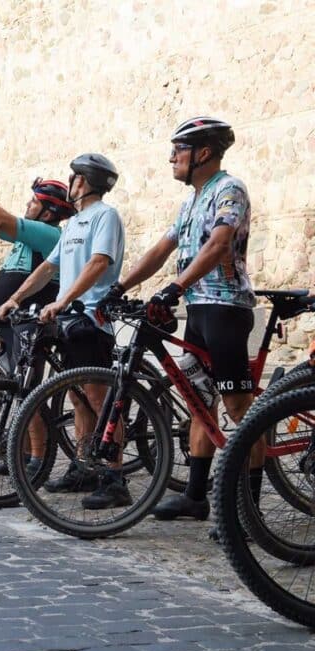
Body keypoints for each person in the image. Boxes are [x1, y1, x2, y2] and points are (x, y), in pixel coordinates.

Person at [101, 117, 257, 524]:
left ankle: (251, 510)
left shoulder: (229, 189)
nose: (172, 157)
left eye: (179, 149)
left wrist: (173, 287)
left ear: (203, 153)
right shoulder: (190, 200)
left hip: (225, 307)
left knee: (240, 406)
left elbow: (220, 243)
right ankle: (195, 497)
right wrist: (121, 285)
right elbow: (161, 248)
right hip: (198, 310)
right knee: (197, 400)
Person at [0, 152, 126, 509]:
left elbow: (99, 263)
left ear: (82, 182)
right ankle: (85, 466)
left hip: (90, 318)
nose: (70, 184)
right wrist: (16, 297)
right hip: (69, 319)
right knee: (78, 398)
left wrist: (63, 300)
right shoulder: (73, 225)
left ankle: (115, 477)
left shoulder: (105, 216)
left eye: (73, 179)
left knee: (98, 399)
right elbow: (48, 268)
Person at [0, 170, 76, 357]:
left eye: (34, 201)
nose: (28, 203)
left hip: (26, 319)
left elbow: (0, 220)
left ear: (47, 215)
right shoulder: (31, 234)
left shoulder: (49, 233)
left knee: (23, 379)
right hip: (11, 321)